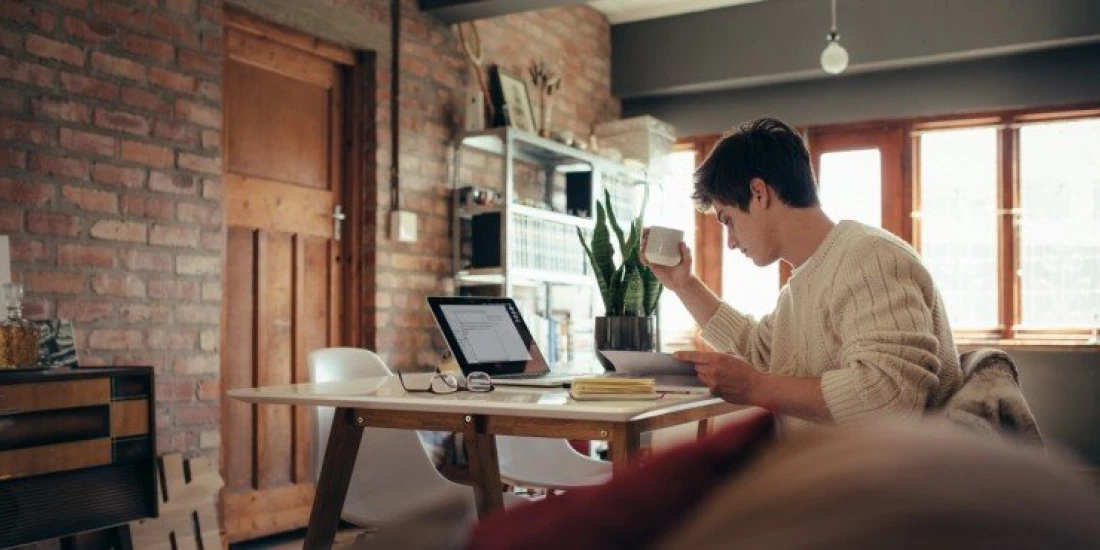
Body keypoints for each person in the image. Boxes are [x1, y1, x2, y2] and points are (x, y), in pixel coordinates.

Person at [642, 117, 962, 427]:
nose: (731, 242)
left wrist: (756, 387)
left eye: (728, 220)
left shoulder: (870, 258)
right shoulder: (803, 284)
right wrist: (683, 285)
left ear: (759, 192)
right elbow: (757, 350)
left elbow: (889, 397)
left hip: (885, 478)